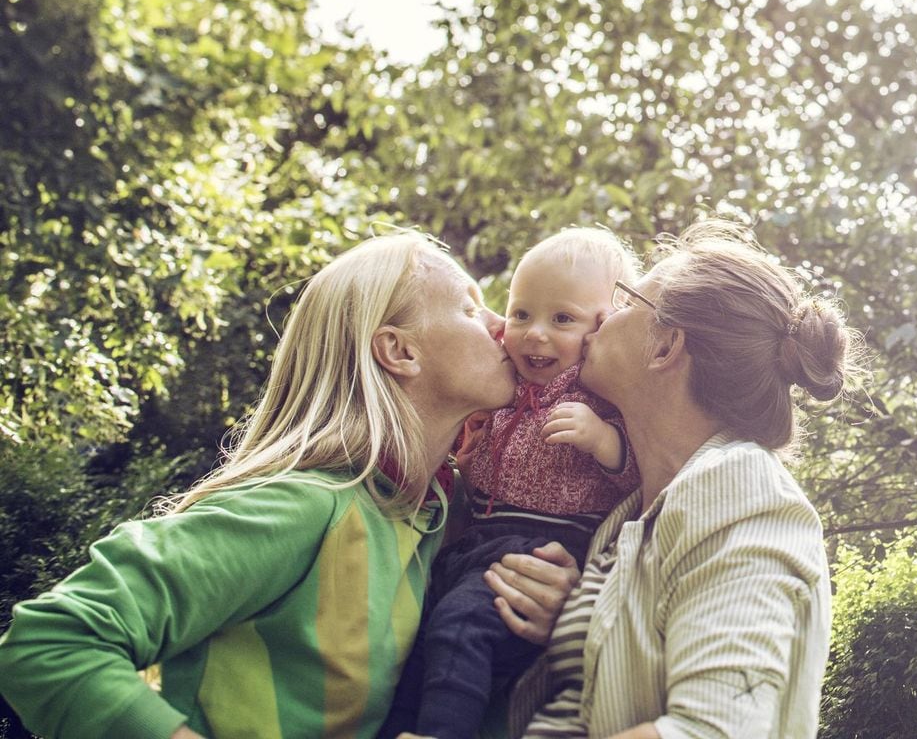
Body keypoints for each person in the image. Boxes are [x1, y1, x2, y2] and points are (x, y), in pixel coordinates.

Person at [0, 231, 577, 739]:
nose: (505, 327)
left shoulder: (429, 519)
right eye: (471, 309)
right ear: (399, 351)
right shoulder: (305, 505)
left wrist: (548, 618)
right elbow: (51, 642)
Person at [498, 219, 863, 739]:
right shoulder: (633, 514)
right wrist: (578, 617)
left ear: (666, 345)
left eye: (624, 302)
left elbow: (710, 731)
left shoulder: (743, 490)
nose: (601, 319)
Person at [381, 228, 641, 739]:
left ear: (602, 328)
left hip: (540, 550)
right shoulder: (504, 390)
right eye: (521, 313)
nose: (534, 333)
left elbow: (635, 475)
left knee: (462, 630)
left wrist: (604, 439)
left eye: (562, 318)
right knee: (423, 638)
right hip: (477, 544)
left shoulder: (599, 395)